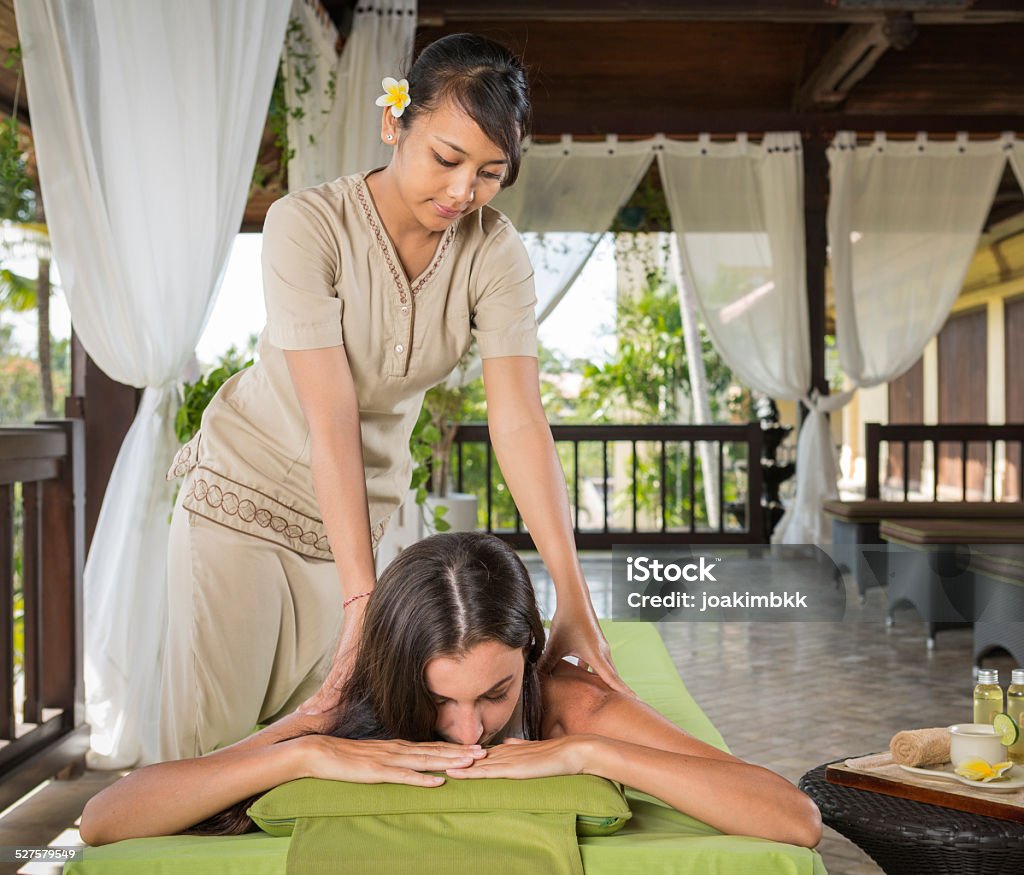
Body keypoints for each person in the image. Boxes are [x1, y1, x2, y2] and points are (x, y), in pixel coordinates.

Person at [160, 33, 626, 762]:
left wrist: (573, 596)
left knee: (321, 754)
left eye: (489, 172)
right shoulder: (306, 226)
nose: (461, 192)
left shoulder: (493, 251)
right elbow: (332, 416)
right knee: (211, 759)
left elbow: (518, 417)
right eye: (446, 158)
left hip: (354, 531)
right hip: (240, 507)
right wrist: (362, 601)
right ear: (393, 123)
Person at [82, 533, 822, 849]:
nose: (469, 732)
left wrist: (588, 754)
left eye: (495, 694)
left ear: (530, 656)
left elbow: (794, 817)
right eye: (439, 702)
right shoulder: (355, 700)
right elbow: (105, 818)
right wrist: (303, 750)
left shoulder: (573, 706)